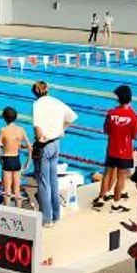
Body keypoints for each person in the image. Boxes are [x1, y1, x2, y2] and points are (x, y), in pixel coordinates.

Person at [31, 82, 78, 226]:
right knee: (53, 180)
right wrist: (61, 129)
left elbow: (37, 126)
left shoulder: (38, 104)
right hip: (56, 144)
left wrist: (40, 138)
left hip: (44, 146)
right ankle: (56, 215)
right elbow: (72, 117)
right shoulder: (56, 102)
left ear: (36, 92)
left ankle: (47, 219)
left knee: (44, 183)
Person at [98, 85, 137, 213]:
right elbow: (135, 135)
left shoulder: (111, 113)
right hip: (125, 152)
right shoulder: (134, 116)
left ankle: (100, 199)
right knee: (121, 178)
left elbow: (106, 130)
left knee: (107, 175)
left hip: (111, 150)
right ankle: (115, 205)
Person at [0, 107, 29, 206]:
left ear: (4, 118)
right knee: (17, 191)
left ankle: (7, 213)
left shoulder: (3, 130)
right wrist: (27, 163)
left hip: (7, 160)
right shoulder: (21, 130)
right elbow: (28, 146)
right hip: (17, 160)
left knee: (7, 192)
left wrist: (0, 160)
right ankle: (19, 212)